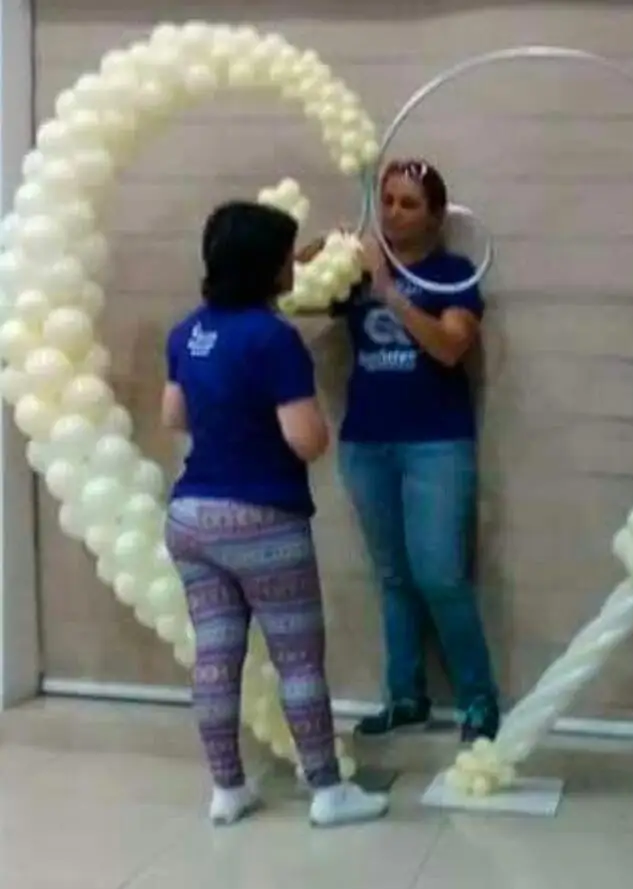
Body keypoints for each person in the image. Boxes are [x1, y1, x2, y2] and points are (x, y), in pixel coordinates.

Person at [161, 200, 389, 829]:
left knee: (215, 656)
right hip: (262, 519)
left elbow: (173, 416)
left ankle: (227, 789)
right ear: (267, 266)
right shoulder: (273, 338)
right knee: (297, 660)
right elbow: (306, 439)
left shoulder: (186, 332)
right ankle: (327, 791)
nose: (294, 266)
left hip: (190, 516)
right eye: (289, 256)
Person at [322, 159, 500, 741]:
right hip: (367, 442)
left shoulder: (453, 273)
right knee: (393, 576)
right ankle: (405, 696)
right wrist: (325, 247)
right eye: (388, 201)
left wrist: (389, 292)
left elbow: (450, 347)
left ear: (435, 215)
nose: (395, 213)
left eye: (409, 204)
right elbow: (285, 291)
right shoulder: (357, 269)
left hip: (435, 444)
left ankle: (479, 701)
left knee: (440, 575)